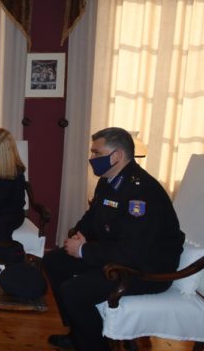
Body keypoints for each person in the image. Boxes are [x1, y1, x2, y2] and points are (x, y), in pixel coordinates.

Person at [44, 127, 185, 351]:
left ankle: (94, 346)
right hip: (117, 256)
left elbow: (132, 252)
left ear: (117, 155)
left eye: (97, 153)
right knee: (53, 261)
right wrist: (78, 235)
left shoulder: (142, 192)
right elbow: (92, 217)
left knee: (74, 291)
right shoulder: (108, 180)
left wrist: (83, 251)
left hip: (145, 269)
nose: (92, 158)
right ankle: (79, 332)